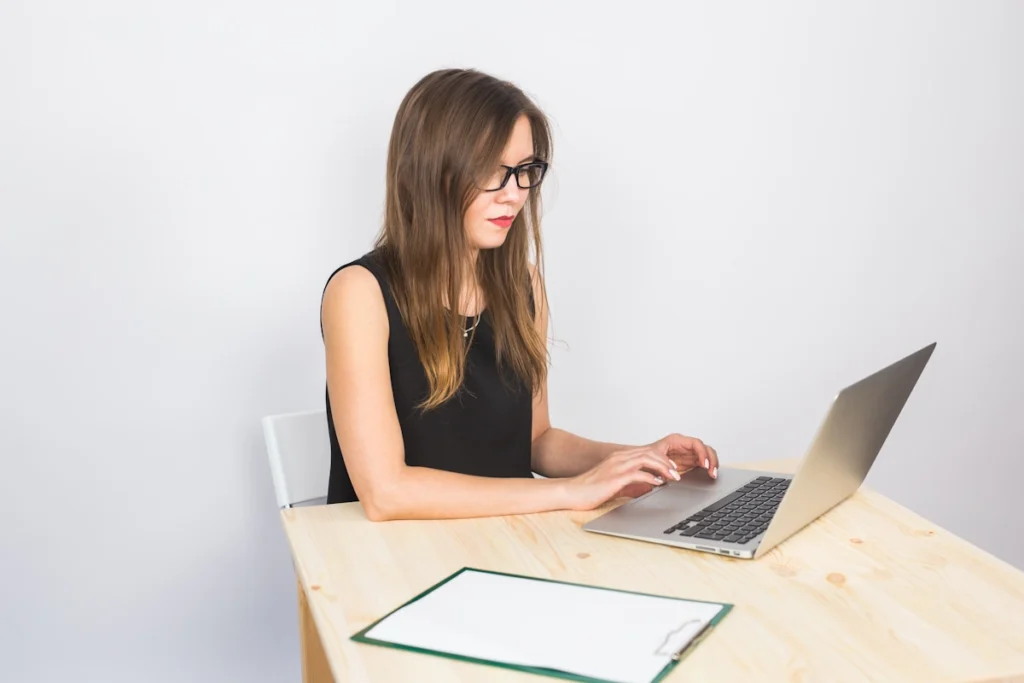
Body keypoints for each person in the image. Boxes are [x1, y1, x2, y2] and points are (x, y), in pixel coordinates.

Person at [320, 68, 719, 519]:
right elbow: (386, 493)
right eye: (492, 171)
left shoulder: (523, 284)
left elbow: (536, 442)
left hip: (504, 542)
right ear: (429, 172)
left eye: (524, 171)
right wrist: (573, 492)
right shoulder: (359, 293)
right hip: (392, 560)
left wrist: (638, 461)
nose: (514, 195)